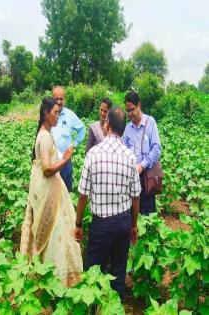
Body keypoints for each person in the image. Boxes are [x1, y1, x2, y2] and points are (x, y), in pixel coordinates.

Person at [74, 107, 141, 300]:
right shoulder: (129, 156)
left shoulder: (93, 154)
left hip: (101, 224)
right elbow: (135, 197)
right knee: (118, 272)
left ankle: (94, 308)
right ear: (123, 129)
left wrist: (78, 224)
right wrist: (133, 225)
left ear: (108, 125)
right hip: (122, 223)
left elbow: (82, 195)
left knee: (94, 272)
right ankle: (115, 308)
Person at [20, 96, 83, 287]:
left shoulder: (44, 133)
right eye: (55, 113)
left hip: (49, 190)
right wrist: (65, 159)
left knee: (58, 231)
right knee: (57, 233)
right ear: (46, 114)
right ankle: (59, 276)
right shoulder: (46, 137)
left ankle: (52, 273)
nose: (58, 116)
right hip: (50, 192)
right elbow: (47, 170)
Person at [124, 91, 162, 215]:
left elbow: (156, 149)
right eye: (127, 111)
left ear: (139, 105)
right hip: (131, 175)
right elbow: (123, 149)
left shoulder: (150, 122)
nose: (130, 114)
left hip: (146, 176)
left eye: (132, 109)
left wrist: (142, 165)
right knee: (131, 211)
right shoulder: (128, 128)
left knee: (147, 212)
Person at [50, 86, 85, 192]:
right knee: (52, 193)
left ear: (64, 99)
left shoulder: (69, 115)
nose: (59, 102)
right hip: (51, 160)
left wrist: (73, 144)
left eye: (62, 99)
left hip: (65, 161)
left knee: (65, 192)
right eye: (57, 99)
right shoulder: (49, 114)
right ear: (53, 99)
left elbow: (82, 129)